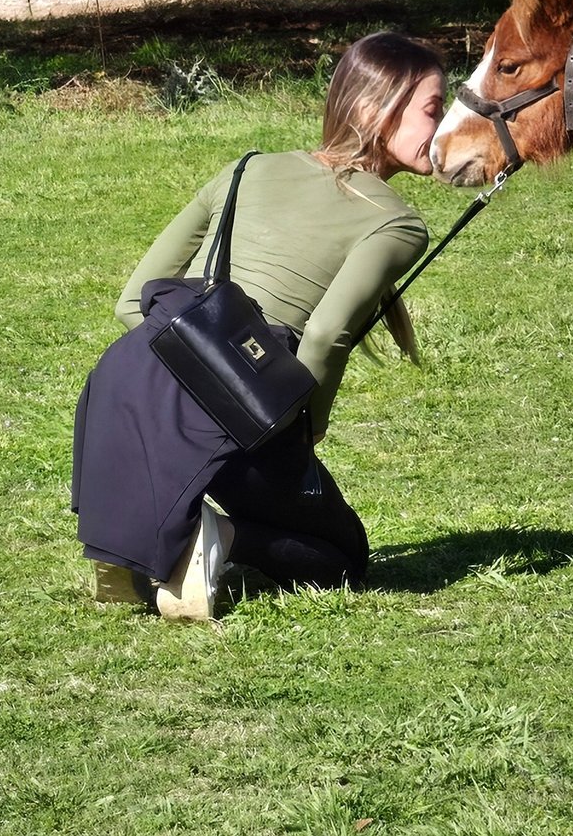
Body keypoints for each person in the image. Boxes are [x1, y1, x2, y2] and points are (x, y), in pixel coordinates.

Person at [71, 32, 446, 619]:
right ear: (376, 110)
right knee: (341, 556)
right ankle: (213, 539)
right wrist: (304, 430)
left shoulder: (246, 168)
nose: (444, 126)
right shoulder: (398, 223)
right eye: (433, 109)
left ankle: (144, 545)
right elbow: (325, 336)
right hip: (240, 408)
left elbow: (131, 300)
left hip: (123, 386)